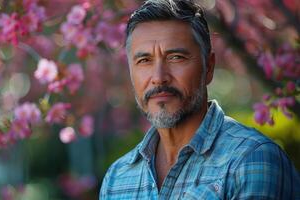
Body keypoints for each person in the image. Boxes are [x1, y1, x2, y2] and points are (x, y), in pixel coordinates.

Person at [100, 0, 300, 199]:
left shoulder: (251, 161)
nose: (159, 77)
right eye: (144, 61)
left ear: (209, 67)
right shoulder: (117, 178)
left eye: (176, 57)